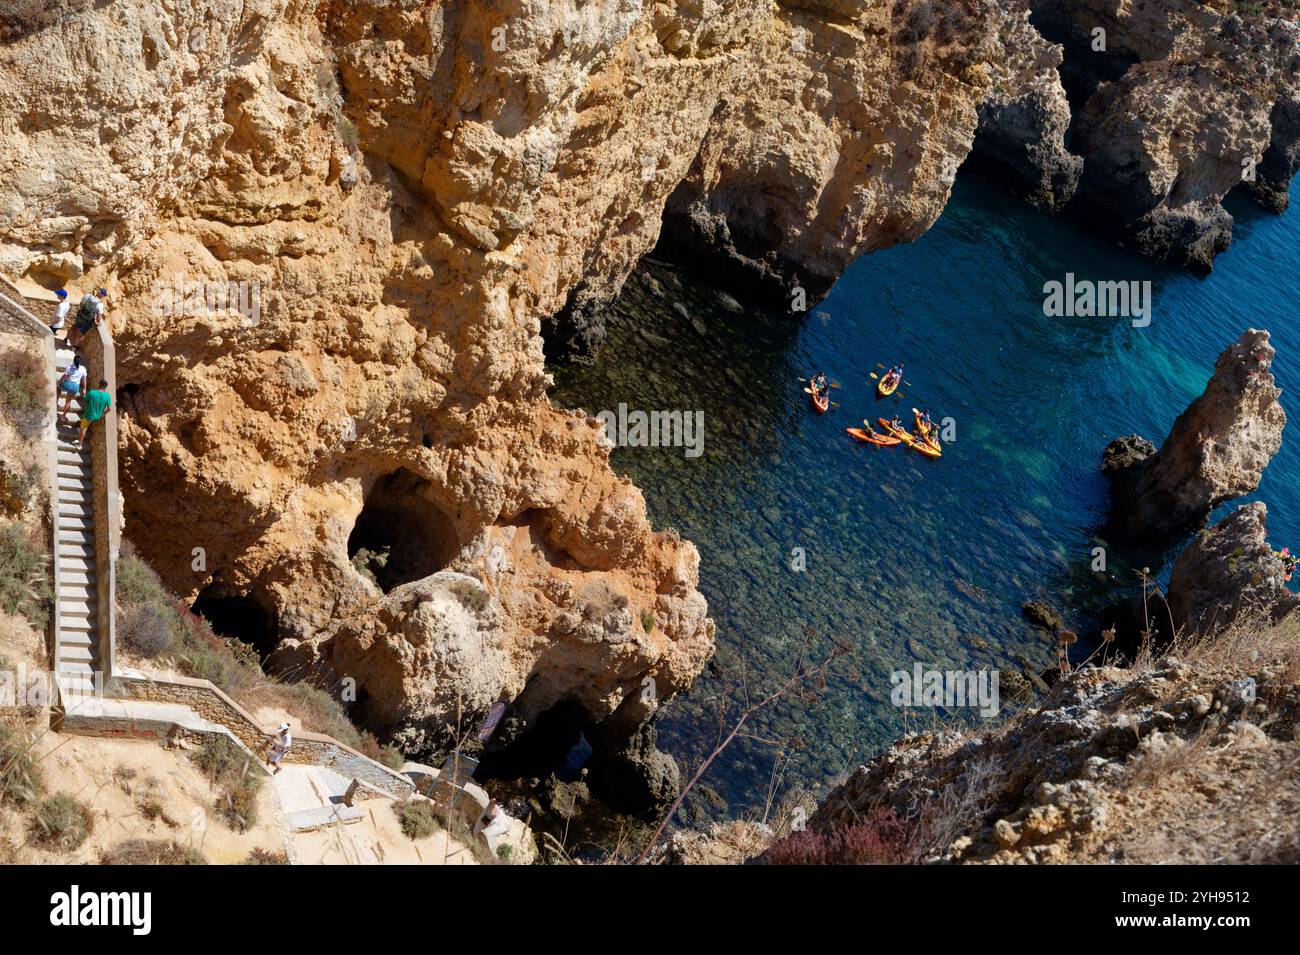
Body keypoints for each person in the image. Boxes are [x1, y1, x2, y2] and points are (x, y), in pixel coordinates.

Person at [74, 378, 111, 451]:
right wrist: (104, 413)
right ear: (105, 387)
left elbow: (85, 399)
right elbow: (109, 408)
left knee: (83, 428)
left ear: (99, 385)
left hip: (89, 415)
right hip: (98, 416)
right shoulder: (107, 396)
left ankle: (79, 444)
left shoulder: (92, 392)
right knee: (84, 422)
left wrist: (84, 393)